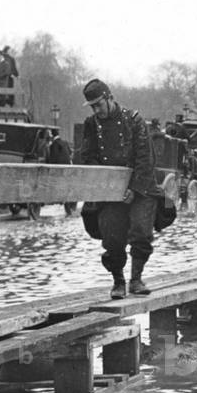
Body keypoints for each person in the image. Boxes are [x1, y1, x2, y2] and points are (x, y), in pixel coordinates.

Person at [81, 78, 162, 298]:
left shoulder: (134, 121)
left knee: (141, 232)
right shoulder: (91, 125)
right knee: (112, 236)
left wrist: (134, 189)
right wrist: (108, 184)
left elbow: (145, 159)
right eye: (92, 107)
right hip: (111, 191)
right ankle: (118, 281)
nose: (97, 110)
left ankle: (136, 279)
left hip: (140, 187)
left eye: (99, 104)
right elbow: (87, 157)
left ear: (109, 98)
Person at [47, 129, 77, 215]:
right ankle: (71, 205)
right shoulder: (65, 143)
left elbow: (53, 160)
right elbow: (70, 153)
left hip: (60, 172)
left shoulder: (53, 145)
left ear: (52, 136)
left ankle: (67, 205)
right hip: (68, 169)